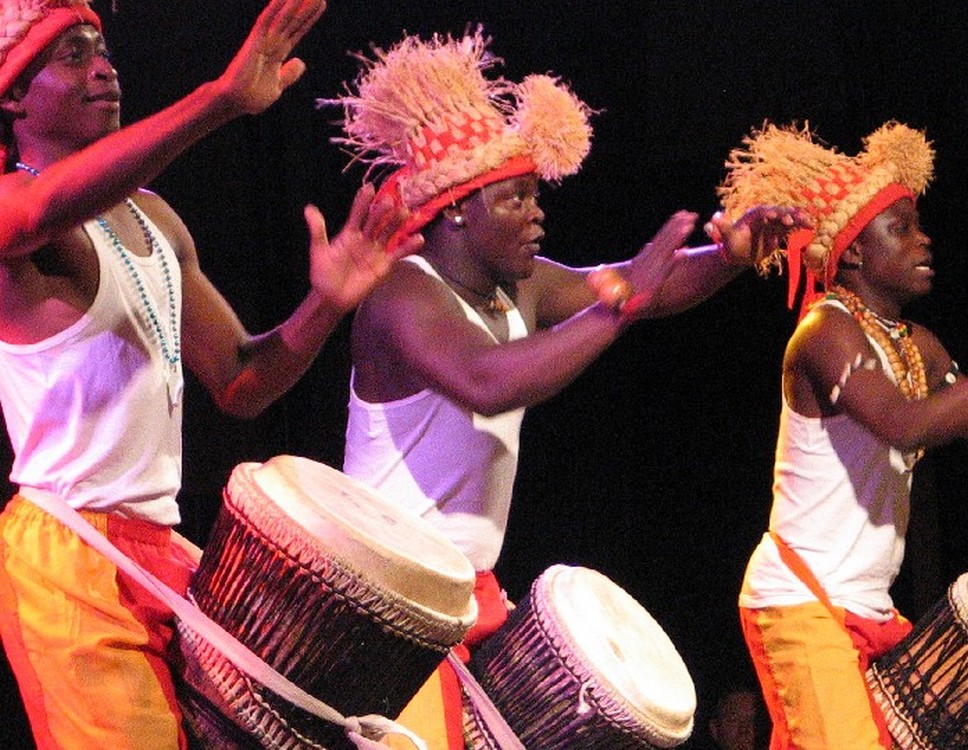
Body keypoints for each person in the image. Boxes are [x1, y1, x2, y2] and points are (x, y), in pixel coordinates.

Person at [323, 28, 802, 748]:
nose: (537, 214)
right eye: (516, 199)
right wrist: (620, 305)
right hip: (382, 591)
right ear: (457, 208)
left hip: (460, 592)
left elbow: (640, 284)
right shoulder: (402, 296)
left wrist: (728, 256)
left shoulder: (522, 284)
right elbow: (487, 381)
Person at [0, 1, 421, 748]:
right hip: (66, 555)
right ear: (10, 96)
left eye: (102, 47)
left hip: (157, 547)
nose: (103, 65)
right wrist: (220, 101)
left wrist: (324, 306)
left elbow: (240, 381)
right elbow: (36, 213)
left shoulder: (155, 221)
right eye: (71, 54)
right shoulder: (13, 205)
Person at [715, 121, 968, 749]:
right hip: (801, 602)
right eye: (901, 230)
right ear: (851, 253)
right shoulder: (825, 332)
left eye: (918, 226)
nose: (924, 241)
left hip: (868, 607)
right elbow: (904, 426)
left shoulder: (916, 345)